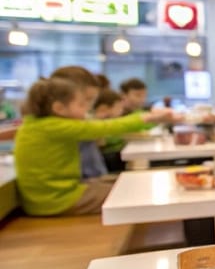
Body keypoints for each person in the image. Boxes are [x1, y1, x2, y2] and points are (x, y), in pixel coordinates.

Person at [14, 77, 174, 216]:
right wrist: (149, 117)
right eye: (82, 104)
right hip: (57, 200)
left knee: (129, 184)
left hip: (49, 197)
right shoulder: (54, 126)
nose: (87, 110)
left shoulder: (34, 124)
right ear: (59, 109)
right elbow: (105, 127)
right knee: (132, 192)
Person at [51, 66, 106, 179]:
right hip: (85, 182)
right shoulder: (58, 126)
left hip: (94, 178)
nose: (88, 108)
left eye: (92, 101)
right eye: (84, 101)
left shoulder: (79, 121)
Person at [94, 88, 128, 173]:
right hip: (108, 156)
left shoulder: (109, 121)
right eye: (119, 107)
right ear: (104, 108)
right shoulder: (98, 122)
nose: (121, 111)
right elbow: (102, 142)